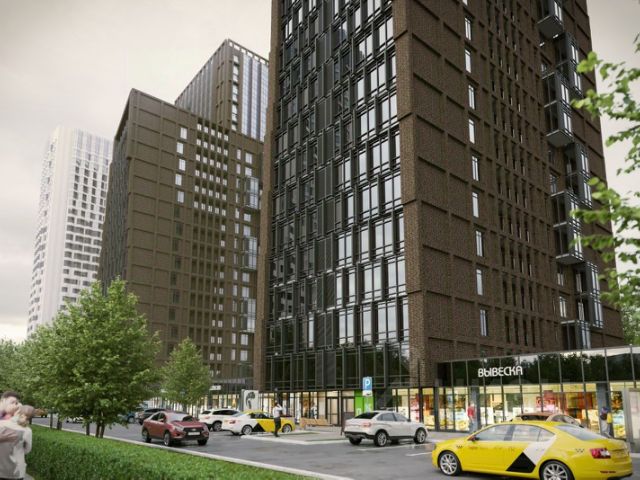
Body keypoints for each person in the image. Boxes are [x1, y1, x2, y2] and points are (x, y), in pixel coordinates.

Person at [0, 404, 34, 480]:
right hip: (16, 470)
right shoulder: (27, 430)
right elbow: (27, 450)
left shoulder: (1, 424)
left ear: (17, 412)